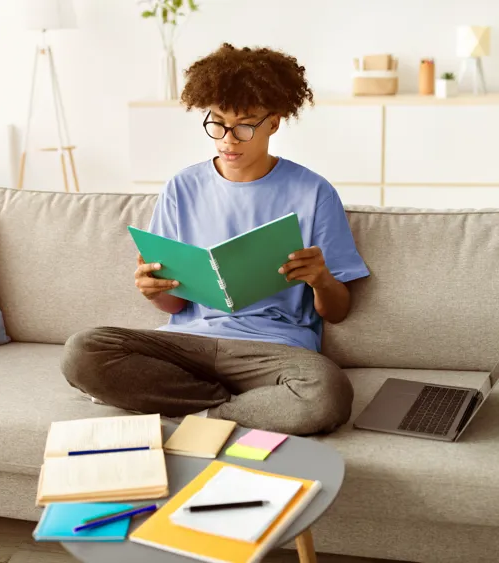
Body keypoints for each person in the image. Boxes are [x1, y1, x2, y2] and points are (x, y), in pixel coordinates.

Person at [61, 43, 370, 435]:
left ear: (274, 123)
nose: (228, 139)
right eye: (217, 122)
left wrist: (321, 279)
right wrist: (154, 290)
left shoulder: (313, 193)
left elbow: (338, 311)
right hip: (188, 345)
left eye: (244, 125)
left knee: (327, 393)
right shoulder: (181, 188)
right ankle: (243, 409)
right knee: (83, 351)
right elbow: (173, 303)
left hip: (274, 350)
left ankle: (199, 413)